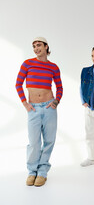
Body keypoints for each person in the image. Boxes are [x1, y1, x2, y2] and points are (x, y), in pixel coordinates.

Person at [15, 37, 63, 186]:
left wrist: (56, 101)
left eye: (39, 45)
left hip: (49, 107)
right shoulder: (27, 64)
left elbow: (59, 87)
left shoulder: (53, 67)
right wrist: (25, 103)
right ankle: (31, 171)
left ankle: (42, 171)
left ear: (46, 47)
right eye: (34, 46)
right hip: (33, 108)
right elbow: (18, 84)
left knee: (49, 141)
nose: (36, 48)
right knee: (34, 142)